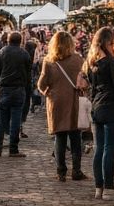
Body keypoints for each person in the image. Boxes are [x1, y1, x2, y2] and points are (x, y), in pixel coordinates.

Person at [37, 31, 87, 181]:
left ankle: (61, 171)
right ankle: (76, 170)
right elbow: (85, 81)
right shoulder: (78, 60)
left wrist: (48, 92)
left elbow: (41, 84)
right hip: (74, 101)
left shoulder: (49, 61)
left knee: (60, 137)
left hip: (57, 102)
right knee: (76, 137)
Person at [85, 27, 114, 199]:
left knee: (99, 148)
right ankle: (108, 187)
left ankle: (99, 187)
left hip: (97, 108)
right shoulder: (112, 62)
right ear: (108, 43)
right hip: (111, 108)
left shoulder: (92, 62)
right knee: (109, 148)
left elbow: (92, 89)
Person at [0, 31, 31, 157]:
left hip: (5, 88)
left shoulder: (1, 52)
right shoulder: (24, 54)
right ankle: (13, 149)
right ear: (20, 41)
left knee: (1, 120)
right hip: (18, 89)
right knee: (16, 120)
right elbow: (28, 73)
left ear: (8, 40)